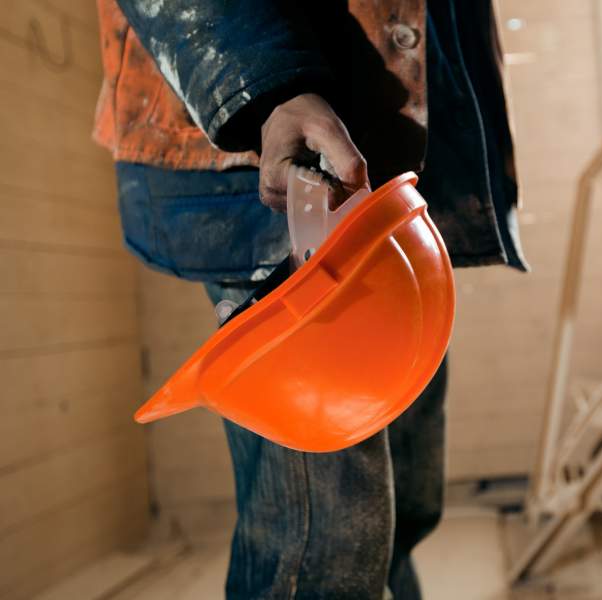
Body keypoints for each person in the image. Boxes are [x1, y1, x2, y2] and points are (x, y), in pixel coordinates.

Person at [94, 0, 526, 597]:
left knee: (406, 508)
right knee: (322, 543)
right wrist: (267, 86)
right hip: (275, 146)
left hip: (389, 185)